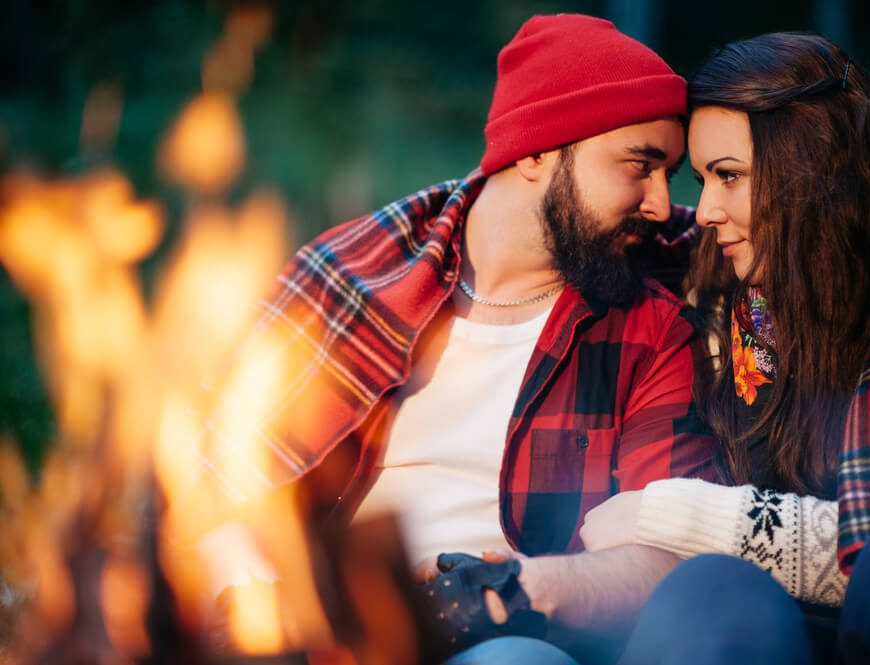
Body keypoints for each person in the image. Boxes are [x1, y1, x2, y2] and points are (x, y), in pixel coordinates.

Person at [191, 13, 718, 664]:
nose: (663, 203)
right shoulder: (353, 276)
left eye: (670, 172)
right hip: (321, 628)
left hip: (511, 633)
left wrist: (501, 591)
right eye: (640, 166)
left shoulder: (652, 324)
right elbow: (216, 486)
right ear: (535, 151)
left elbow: (660, 561)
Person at [580, 31, 870, 664]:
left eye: (729, 176)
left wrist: (689, 514)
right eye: (702, 179)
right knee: (710, 590)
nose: (706, 211)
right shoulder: (715, 292)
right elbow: (556, 231)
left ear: (815, 169)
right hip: (753, 633)